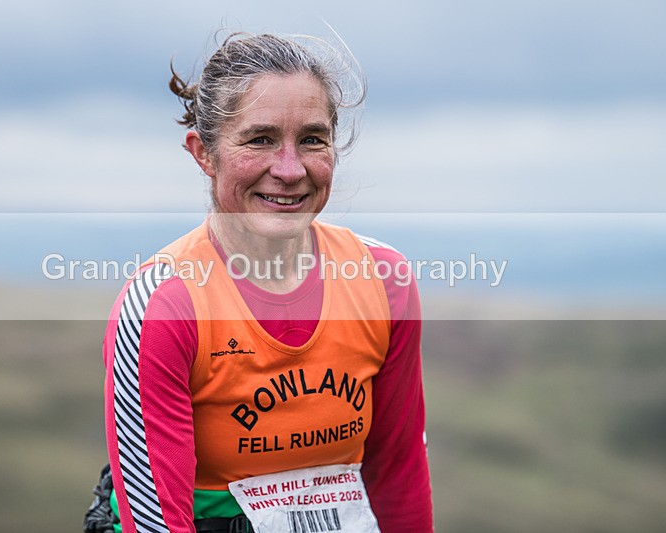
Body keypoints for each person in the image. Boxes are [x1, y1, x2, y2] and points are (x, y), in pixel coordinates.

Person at [98, 32, 433, 533]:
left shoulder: (383, 280)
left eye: (312, 140)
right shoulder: (163, 308)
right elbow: (156, 522)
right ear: (204, 154)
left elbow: (398, 471)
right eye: (260, 140)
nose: (291, 170)